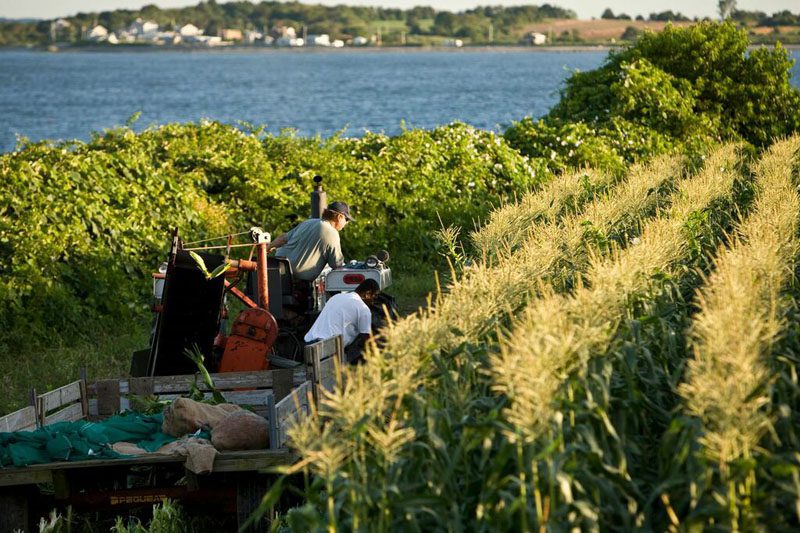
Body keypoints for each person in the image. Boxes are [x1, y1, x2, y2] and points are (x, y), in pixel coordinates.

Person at [268, 201, 353, 283]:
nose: (346, 223)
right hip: (296, 283)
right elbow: (337, 265)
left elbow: (283, 238)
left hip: (275, 271)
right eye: (347, 219)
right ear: (339, 217)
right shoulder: (332, 233)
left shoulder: (308, 222)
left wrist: (268, 247)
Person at [304, 279, 380, 364]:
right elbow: (368, 341)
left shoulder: (336, 297)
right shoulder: (363, 309)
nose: (374, 302)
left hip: (309, 345)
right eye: (375, 296)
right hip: (326, 350)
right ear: (368, 294)